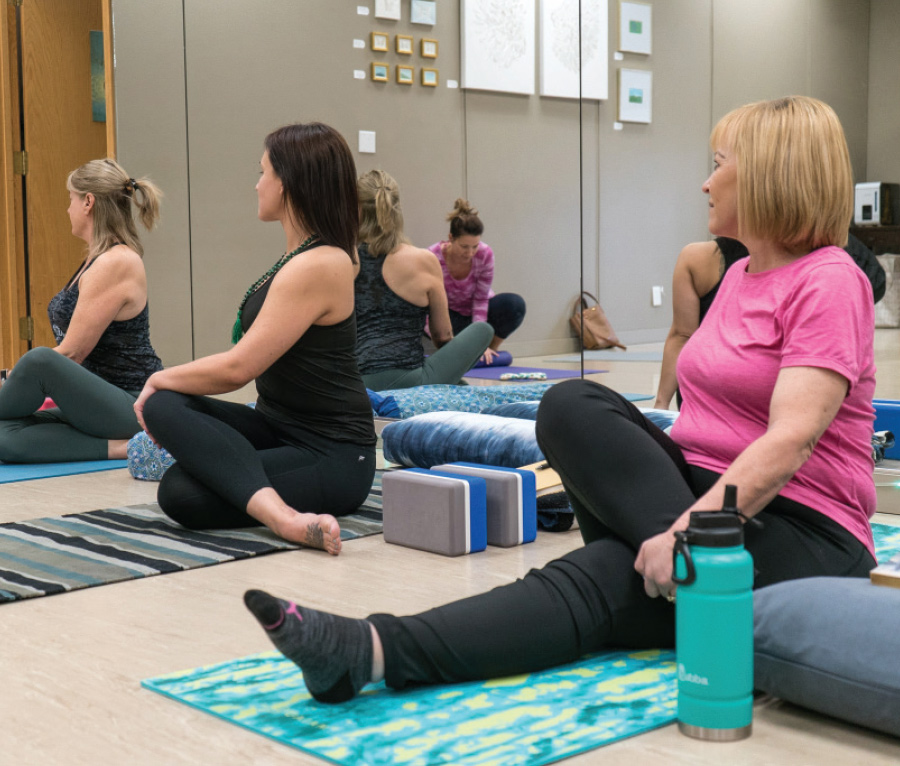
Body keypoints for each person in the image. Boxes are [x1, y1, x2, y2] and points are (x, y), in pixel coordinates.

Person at [242, 96, 878, 703]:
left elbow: (791, 439)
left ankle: (369, 649)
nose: (705, 185)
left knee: (606, 574)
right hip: (693, 494)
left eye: (718, 167)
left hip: (803, 525)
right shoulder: (739, 276)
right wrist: (679, 528)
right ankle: (680, 577)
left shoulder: (830, 281)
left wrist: (689, 535)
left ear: (771, 175)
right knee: (572, 404)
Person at [135, 123, 376, 554]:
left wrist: (158, 377)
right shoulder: (300, 256)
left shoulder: (321, 263)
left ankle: (283, 519)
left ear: (288, 184)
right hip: (276, 427)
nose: (257, 183)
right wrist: (161, 392)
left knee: (182, 493)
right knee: (165, 406)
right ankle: (274, 505)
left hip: (334, 456)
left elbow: (238, 368)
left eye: (263, 172)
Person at [0, 159, 163, 463]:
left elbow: (72, 354)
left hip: (132, 403)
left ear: (88, 202)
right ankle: (124, 446)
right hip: (94, 403)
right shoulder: (95, 259)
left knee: (39, 360)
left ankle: (131, 444)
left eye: (70, 199)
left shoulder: (117, 262)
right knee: (4, 435)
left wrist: (9, 376)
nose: (67, 209)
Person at [654, 232, 885, 410]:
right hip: (706, 417)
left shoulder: (828, 270)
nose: (707, 186)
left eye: (718, 168)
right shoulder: (706, 261)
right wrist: (661, 409)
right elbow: (681, 336)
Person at [354, 171, 493, 391]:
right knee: (483, 330)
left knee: (461, 384)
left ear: (355, 209)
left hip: (358, 384)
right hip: (415, 382)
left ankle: (457, 386)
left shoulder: (341, 260)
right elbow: (442, 336)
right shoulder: (423, 260)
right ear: (397, 210)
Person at [428, 199, 526, 365]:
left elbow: (480, 299)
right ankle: (464, 351)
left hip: (478, 314)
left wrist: (479, 342)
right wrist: (446, 342)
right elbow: (428, 306)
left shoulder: (485, 254)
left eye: (475, 246)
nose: (470, 252)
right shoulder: (432, 256)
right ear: (451, 238)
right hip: (448, 316)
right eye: (464, 246)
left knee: (514, 304)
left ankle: (489, 350)